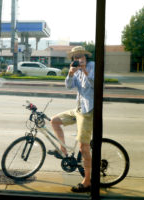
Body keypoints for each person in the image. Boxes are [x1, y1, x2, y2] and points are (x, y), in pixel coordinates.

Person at [48, 46, 94, 193]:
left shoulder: (92, 66)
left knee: (83, 147)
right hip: (78, 108)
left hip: (88, 111)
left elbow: (93, 84)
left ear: (86, 57)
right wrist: (70, 73)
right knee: (54, 121)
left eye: (80, 56)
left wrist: (84, 69)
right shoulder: (76, 70)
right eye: (75, 57)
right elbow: (68, 86)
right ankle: (63, 151)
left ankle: (87, 182)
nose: (77, 59)